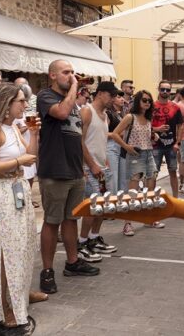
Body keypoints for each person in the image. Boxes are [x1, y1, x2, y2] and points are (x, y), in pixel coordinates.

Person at [0, 83, 47, 328]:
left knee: (25, 246)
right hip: (3, 194)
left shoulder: (13, 127)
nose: (25, 105)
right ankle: (4, 306)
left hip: (19, 190)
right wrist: (19, 160)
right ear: (6, 104)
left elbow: (31, 156)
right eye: (20, 101)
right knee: (6, 252)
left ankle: (21, 294)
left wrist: (34, 133)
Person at [37, 60, 99, 295]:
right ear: (52, 76)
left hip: (74, 171)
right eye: (66, 72)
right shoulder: (46, 97)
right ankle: (47, 271)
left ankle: (72, 263)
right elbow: (61, 113)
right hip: (54, 171)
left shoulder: (72, 102)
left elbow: (76, 137)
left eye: (73, 72)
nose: (72, 76)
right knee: (52, 222)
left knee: (71, 219)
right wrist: (75, 86)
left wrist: (87, 165)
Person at [111, 90, 162, 235]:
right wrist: (126, 147)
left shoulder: (148, 118)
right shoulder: (129, 117)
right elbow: (115, 134)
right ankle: (127, 223)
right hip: (135, 155)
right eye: (144, 100)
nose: (147, 103)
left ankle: (149, 218)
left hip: (148, 153)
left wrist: (154, 137)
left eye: (149, 101)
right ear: (138, 101)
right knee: (132, 191)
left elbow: (146, 136)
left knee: (151, 185)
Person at [78, 81, 118, 261]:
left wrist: (105, 162)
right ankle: (82, 243)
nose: (114, 99)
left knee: (102, 206)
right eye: (112, 95)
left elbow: (100, 140)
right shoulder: (87, 111)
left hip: (102, 167)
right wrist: (90, 165)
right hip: (89, 167)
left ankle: (93, 238)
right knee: (92, 208)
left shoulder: (106, 115)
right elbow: (80, 141)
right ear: (101, 93)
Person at [151, 80, 183, 198]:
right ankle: (152, 198)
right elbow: (145, 126)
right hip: (155, 145)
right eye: (162, 89)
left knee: (173, 172)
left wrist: (178, 143)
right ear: (158, 90)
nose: (165, 92)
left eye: (167, 90)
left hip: (171, 145)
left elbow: (180, 126)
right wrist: (157, 129)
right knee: (153, 174)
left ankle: (176, 199)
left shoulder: (175, 107)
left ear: (171, 91)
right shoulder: (152, 106)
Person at [106, 89, 127, 193]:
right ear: (112, 99)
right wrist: (118, 134)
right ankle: (113, 201)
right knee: (113, 178)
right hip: (111, 147)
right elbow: (103, 133)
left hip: (122, 147)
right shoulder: (108, 113)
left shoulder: (122, 114)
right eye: (119, 97)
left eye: (122, 97)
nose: (122, 99)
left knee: (123, 179)